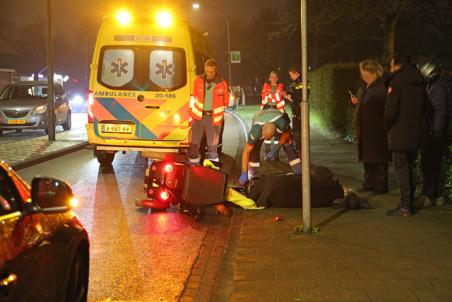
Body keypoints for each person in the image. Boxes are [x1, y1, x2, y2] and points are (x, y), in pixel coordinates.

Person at [384, 54, 425, 216]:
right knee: (411, 166)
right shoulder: (419, 81)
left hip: (399, 132)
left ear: (397, 65)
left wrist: (387, 125)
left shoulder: (397, 81)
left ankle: (404, 206)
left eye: (391, 65)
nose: (390, 68)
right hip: (415, 130)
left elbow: (390, 110)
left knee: (401, 169)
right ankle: (410, 203)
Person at [351, 60, 391, 194]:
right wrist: (355, 102)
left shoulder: (381, 88)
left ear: (372, 73)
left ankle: (380, 185)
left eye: (364, 74)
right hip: (365, 129)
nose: (363, 77)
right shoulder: (365, 88)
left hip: (377, 129)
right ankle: (369, 182)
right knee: (368, 158)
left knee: (378, 158)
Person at [418, 61, 452, 207]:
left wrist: (436, 132)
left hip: (436, 133)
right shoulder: (441, 84)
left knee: (431, 164)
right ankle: (437, 195)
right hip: (439, 132)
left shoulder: (437, 88)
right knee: (436, 164)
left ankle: (430, 194)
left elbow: (439, 112)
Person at [239, 109, 301, 185]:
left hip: (277, 115)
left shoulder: (282, 123)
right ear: (261, 132)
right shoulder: (255, 131)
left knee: (288, 145)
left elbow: (287, 132)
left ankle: (299, 173)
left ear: (276, 131)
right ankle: (253, 176)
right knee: (254, 150)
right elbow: (246, 151)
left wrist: (278, 146)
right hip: (260, 117)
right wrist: (244, 172)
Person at [188, 59, 229, 165]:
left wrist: (218, 116)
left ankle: (213, 171)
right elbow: (193, 97)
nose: (210, 74)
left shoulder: (222, 83)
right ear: (205, 69)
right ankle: (194, 168)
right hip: (198, 118)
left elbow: (226, 102)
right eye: (208, 71)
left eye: (212, 72)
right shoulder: (198, 80)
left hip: (213, 119)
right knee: (194, 147)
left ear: (216, 70)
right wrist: (192, 114)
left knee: (212, 148)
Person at [284, 66, 310, 155]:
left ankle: (299, 148)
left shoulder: (302, 81)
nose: (291, 77)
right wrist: (287, 94)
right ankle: (298, 147)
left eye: (291, 75)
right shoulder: (297, 81)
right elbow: (294, 92)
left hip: (299, 109)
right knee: (296, 128)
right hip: (296, 108)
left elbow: (302, 96)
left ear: (296, 73)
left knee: (297, 129)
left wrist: (290, 96)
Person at [261, 71, 285, 160]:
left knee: (277, 134)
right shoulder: (265, 85)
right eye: (271, 77)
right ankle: (267, 155)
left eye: (275, 77)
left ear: (278, 78)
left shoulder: (281, 86)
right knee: (267, 133)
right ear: (269, 78)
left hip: (278, 111)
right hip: (267, 111)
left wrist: (270, 95)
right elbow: (264, 97)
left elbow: (278, 97)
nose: (273, 79)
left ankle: (276, 155)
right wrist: (274, 96)